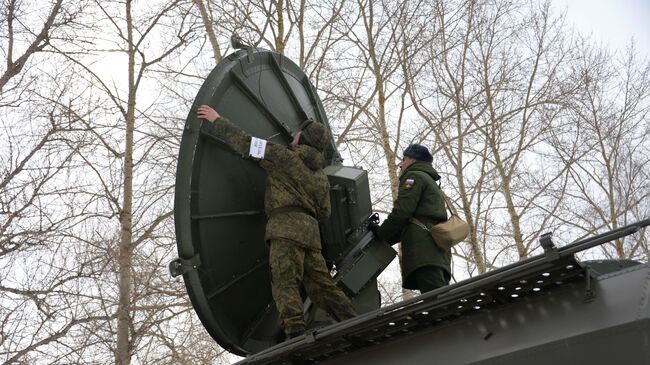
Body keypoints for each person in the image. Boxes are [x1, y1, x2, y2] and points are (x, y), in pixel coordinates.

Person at [196, 105, 357, 339]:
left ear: (303, 138)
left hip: (284, 229)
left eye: (297, 133)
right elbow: (324, 213)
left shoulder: (283, 157)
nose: (293, 135)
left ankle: (294, 332)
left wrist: (217, 119)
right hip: (311, 236)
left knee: (285, 281)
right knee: (322, 286)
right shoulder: (321, 177)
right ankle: (353, 321)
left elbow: (246, 143)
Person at [368, 144, 451, 294]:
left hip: (424, 250)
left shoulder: (414, 177)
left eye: (404, 159)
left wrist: (381, 233)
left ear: (413, 160)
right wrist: (383, 237)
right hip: (434, 251)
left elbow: (402, 212)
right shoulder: (429, 180)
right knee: (438, 296)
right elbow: (409, 223)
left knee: (438, 302)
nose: (401, 165)